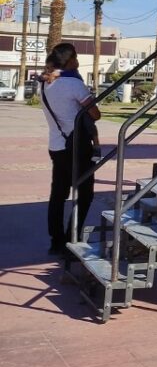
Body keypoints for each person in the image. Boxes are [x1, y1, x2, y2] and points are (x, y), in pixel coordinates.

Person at [39, 43, 102, 255]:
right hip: (76, 146)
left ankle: (55, 241)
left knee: (58, 194)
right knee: (85, 193)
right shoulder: (74, 84)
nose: (77, 61)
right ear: (70, 60)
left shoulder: (45, 84)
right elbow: (95, 114)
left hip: (56, 145)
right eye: (75, 57)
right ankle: (71, 236)